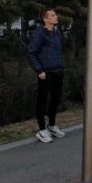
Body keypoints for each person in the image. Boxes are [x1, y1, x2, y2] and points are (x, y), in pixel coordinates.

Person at [26, 8, 66, 143]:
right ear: (45, 19)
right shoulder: (40, 34)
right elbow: (31, 53)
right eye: (52, 15)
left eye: (55, 14)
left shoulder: (57, 33)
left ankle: (52, 126)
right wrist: (39, 70)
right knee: (42, 101)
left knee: (56, 99)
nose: (56, 17)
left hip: (58, 71)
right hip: (45, 73)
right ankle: (42, 130)